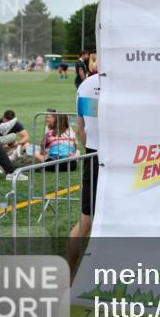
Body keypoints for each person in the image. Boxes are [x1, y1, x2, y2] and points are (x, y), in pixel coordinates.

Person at [68, 70, 100, 277]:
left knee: (85, 221)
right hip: (125, 159)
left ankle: (69, 275)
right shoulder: (130, 82)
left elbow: (81, 129)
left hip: (94, 155)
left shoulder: (87, 85)